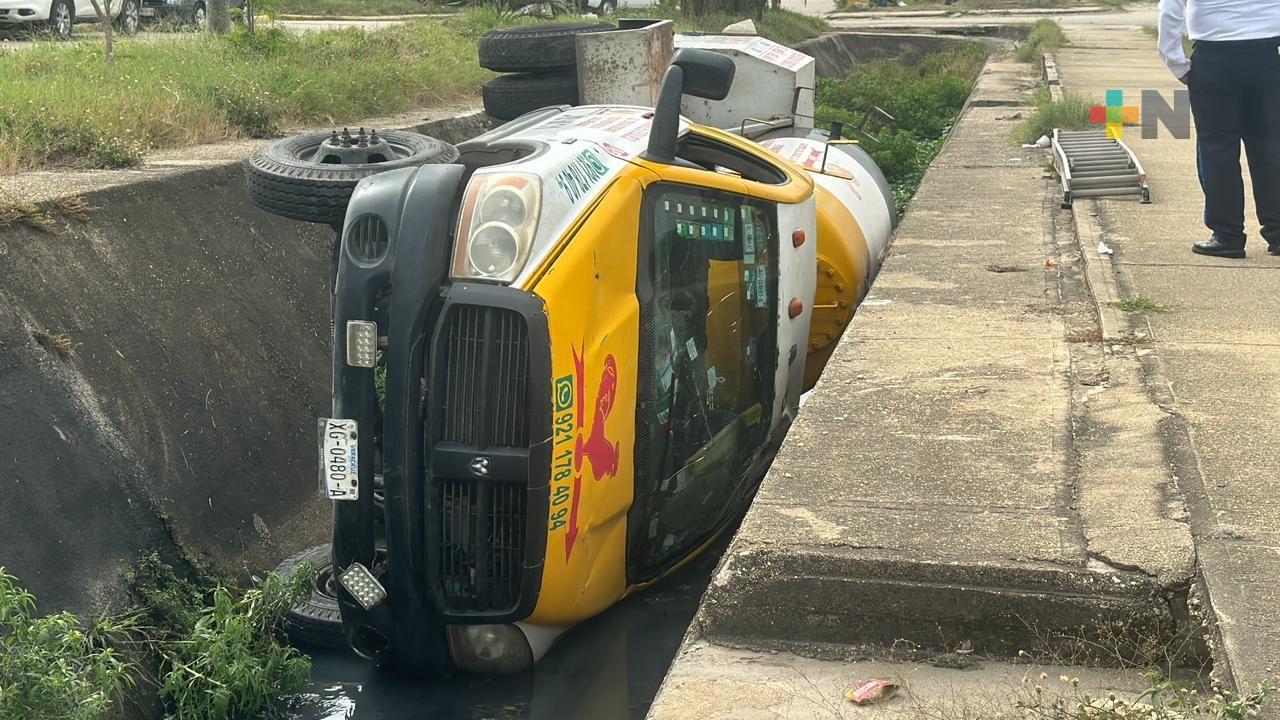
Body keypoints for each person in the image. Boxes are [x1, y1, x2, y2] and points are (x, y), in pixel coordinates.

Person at [1158, 0, 1280, 259]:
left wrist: (1176, 62)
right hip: (1268, 54)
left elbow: (1170, 9)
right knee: (1271, 145)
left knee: (1217, 149)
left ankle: (1228, 236)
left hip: (1215, 58)